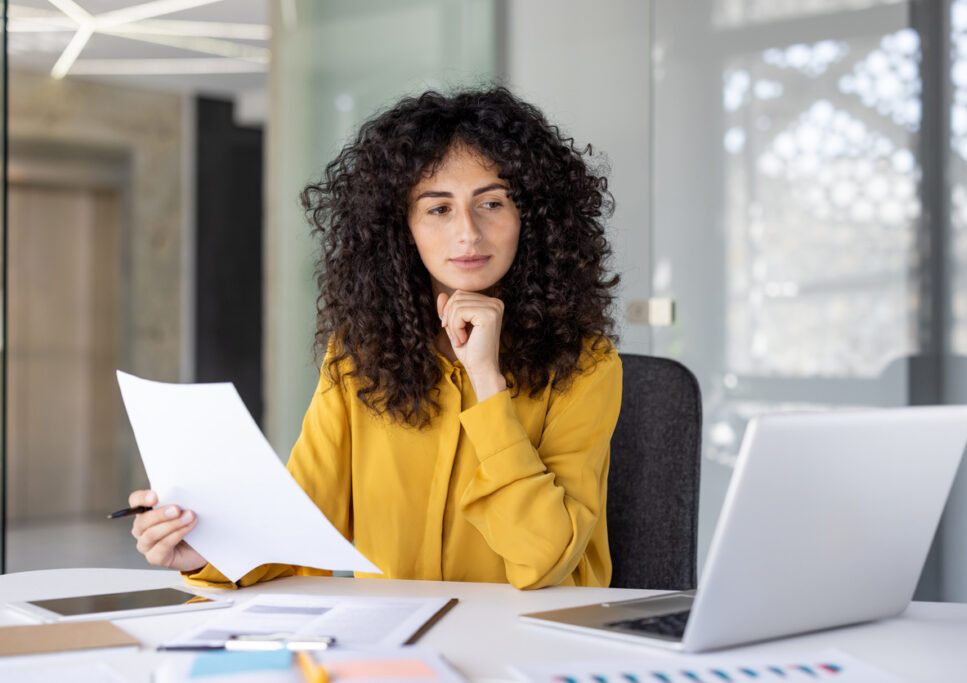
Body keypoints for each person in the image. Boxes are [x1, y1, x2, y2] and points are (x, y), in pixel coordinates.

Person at [126, 87, 623, 590]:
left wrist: (487, 380)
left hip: (534, 647)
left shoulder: (587, 365)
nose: (468, 233)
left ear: (532, 218)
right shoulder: (358, 356)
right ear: (401, 226)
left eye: (491, 202)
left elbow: (544, 559)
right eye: (438, 209)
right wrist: (203, 552)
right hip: (395, 646)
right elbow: (300, 528)